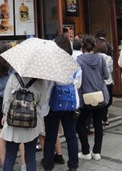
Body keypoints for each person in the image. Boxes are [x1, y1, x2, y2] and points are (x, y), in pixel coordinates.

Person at [41, 35, 80, 171]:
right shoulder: (73, 62)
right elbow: (78, 84)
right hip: (69, 104)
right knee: (71, 136)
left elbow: (46, 85)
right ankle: (73, 165)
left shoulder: (50, 64)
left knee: (50, 136)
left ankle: (48, 165)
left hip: (52, 105)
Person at [0, 73, 47, 171]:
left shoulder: (13, 77)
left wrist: (5, 114)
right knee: (30, 157)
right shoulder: (40, 81)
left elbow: (6, 99)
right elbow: (42, 102)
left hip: (13, 121)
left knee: (10, 156)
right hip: (32, 123)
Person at [0, 43, 25, 168]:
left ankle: (5, 165)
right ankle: (24, 164)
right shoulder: (14, 68)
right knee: (19, 134)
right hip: (11, 101)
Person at [76, 35, 109, 161]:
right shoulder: (100, 59)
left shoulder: (79, 60)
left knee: (80, 124)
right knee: (98, 124)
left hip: (85, 97)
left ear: (82, 46)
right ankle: (97, 152)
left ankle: (85, 151)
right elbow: (106, 76)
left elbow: (77, 80)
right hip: (100, 96)